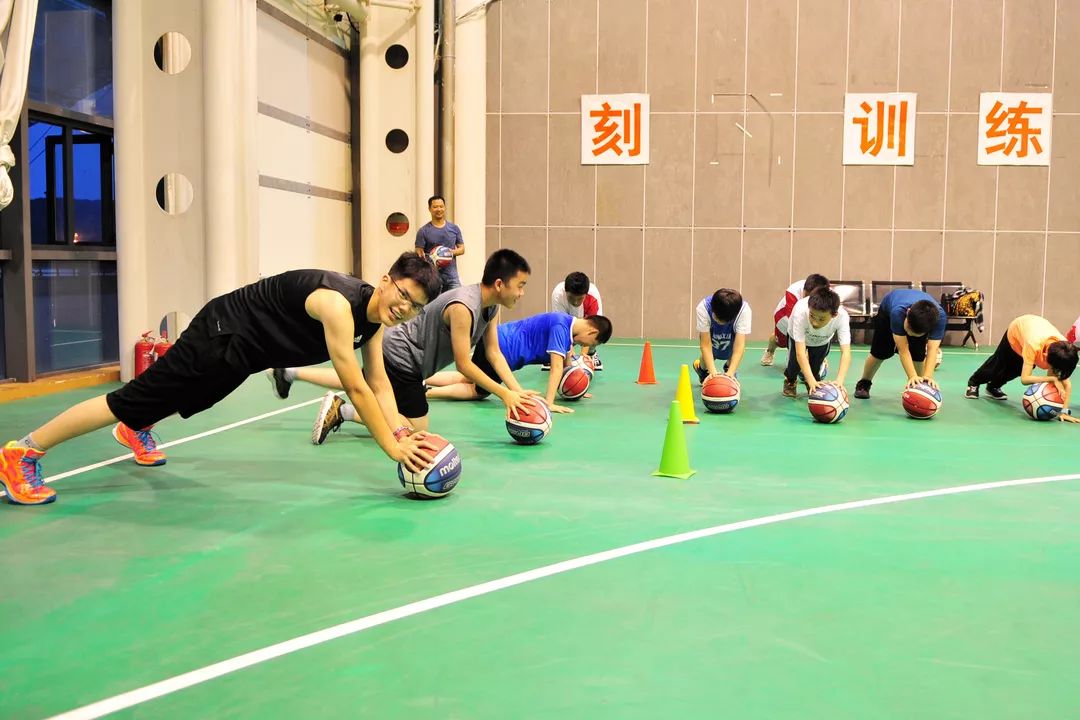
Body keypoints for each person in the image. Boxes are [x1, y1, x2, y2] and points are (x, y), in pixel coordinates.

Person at [0, 254, 443, 506]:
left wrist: (402, 430)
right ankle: (22, 451)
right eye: (403, 295)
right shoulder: (336, 304)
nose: (405, 308)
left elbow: (379, 382)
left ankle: (134, 428)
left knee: (197, 396)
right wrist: (391, 447)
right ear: (386, 281)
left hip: (246, 353)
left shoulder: (375, 320)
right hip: (223, 331)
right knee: (131, 398)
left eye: (416, 307)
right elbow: (357, 387)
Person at [269, 249, 541, 444]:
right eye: (521, 285)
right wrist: (504, 395)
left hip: (408, 358)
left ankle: (289, 372)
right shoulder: (464, 307)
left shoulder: (489, 308)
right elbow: (464, 364)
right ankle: (342, 411)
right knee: (415, 428)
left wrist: (517, 392)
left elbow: (493, 352)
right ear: (499, 284)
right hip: (403, 356)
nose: (522, 292)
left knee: (361, 378)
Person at [425, 312, 612, 413]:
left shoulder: (566, 326)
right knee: (478, 391)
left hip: (497, 339)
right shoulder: (560, 327)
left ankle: (423, 379)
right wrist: (549, 403)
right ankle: (426, 392)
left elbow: (566, 364)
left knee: (469, 377)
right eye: (593, 343)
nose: (587, 346)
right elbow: (556, 368)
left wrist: (576, 388)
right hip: (502, 350)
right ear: (592, 333)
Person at [965, 314, 1079, 422]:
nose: (1057, 373)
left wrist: (1064, 412)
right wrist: (1052, 379)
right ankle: (974, 383)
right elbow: (1025, 379)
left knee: (1016, 370)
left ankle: (993, 387)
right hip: (1016, 332)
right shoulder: (1033, 344)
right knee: (997, 364)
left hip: (1035, 331)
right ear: (1046, 358)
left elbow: (1066, 385)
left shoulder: (1062, 351)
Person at [853, 288, 945, 399]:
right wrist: (912, 376)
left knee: (918, 355)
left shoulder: (940, 318)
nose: (909, 334)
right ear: (908, 313)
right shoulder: (898, 313)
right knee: (880, 352)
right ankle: (864, 383)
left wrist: (928, 377)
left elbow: (932, 349)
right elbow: (903, 349)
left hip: (920, 320)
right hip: (887, 312)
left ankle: (920, 387)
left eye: (914, 333)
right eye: (908, 328)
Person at [782, 287, 852, 398]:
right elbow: (800, 353)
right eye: (812, 316)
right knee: (793, 365)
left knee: (815, 368)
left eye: (821, 319)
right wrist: (811, 381)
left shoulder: (842, 317)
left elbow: (846, 352)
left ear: (834, 315)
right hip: (797, 336)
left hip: (822, 340)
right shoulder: (800, 312)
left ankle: (814, 378)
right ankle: (790, 380)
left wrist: (840, 380)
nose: (815, 322)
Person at [761, 273, 829, 367]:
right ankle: (770, 351)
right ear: (804, 290)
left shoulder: (826, 294)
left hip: (810, 317)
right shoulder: (793, 291)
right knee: (780, 341)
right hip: (785, 317)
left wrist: (818, 354)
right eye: (806, 295)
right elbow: (795, 322)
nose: (807, 299)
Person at [548, 271, 605, 370]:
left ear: (586, 294)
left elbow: (592, 330)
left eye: (580, 299)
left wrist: (582, 357)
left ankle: (592, 353)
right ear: (566, 292)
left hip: (584, 325)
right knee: (551, 330)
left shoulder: (593, 295)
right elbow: (561, 327)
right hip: (569, 324)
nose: (575, 302)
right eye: (571, 298)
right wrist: (570, 352)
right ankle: (554, 355)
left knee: (597, 333)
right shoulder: (558, 294)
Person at [692, 288, 751, 383]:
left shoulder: (744, 311)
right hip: (711, 336)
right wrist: (713, 373)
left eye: (719, 318)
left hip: (731, 336)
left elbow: (739, 346)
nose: (714, 317)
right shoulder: (703, 308)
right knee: (712, 354)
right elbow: (705, 345)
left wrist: (731, 373)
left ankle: (729, 367)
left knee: (730, 348)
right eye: (714, 314)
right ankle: (702, 370)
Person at [414, 195, 464, 292]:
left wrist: (448, 253)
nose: (439, 209)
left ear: (444, 207)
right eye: (435, 207)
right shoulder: (423, 231)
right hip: (433, 278)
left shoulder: (454, 228)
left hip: (452, 277)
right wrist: (432, 257)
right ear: (429, 209)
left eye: (441, 206)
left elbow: (462, 249)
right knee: (435, 306)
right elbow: (418, 253)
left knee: (457, 301)